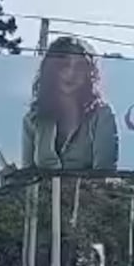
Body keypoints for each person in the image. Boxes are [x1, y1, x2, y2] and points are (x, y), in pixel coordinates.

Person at [22, 35, 119, 172]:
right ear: (51, 70)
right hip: (44, 194)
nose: (71, 73)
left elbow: (103, 176)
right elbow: (28, 178)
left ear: (89, 74)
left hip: (88, 194)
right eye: (64, 65)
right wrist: (13, 179)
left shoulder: (101, 115)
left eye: (80, 67)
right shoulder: (33, 120)